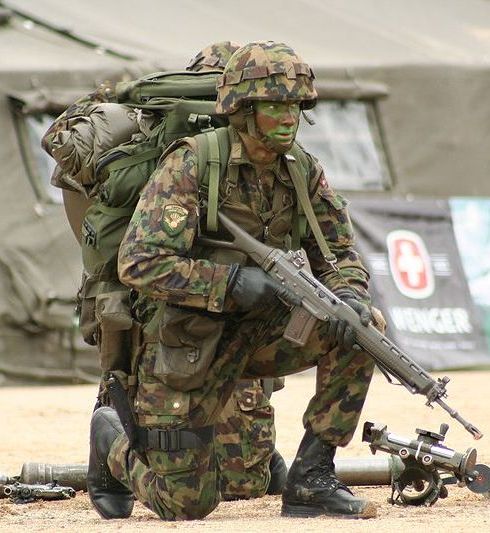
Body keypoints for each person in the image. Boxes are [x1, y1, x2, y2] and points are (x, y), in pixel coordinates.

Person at [87, 40, 385, 521]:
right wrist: (230, 284)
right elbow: (140, 261)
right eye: (274, 106)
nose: (288, 118)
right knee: (185, 504)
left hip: (262, 335)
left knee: (361, 328)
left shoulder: (302, 169)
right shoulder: (191, 163)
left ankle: (312, 478)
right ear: (242, 110)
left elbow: (339, 254)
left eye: (295, 106)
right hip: (187, 341)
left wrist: (348, 293)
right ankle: (110, 438)